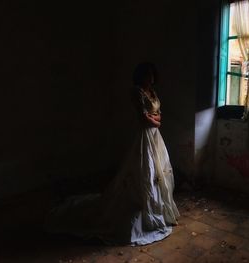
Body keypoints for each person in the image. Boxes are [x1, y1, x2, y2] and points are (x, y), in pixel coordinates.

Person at [44, 62, 179, 246]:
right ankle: (141, 206)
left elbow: (158, 115)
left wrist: (154, 120)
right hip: (144, 136)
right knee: (144, 171)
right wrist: (154, 121)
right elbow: (142, 118)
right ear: (141, 76)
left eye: (152, 74)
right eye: (147, 75)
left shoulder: (153, 93)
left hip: (156, 137)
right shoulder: (136, 91)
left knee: (158, 172)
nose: (151, 78)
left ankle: (156, 209)